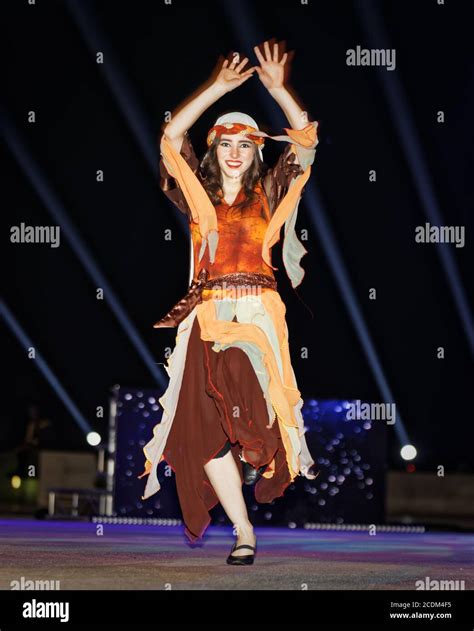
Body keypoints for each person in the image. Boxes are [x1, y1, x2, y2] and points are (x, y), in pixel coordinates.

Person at [139, 40, 319, 565]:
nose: (235, 151)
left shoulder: (271, 190)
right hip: (206, 316)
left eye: (246, 142)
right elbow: (172, 137)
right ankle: (244, 532)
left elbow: (305, 141)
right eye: (225, 142)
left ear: (258, 151)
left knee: (254, 410)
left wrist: (280, 91)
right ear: (214, 150)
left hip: (259, 317)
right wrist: (216, 88)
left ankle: (254, 448)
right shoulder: (195, 195)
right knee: (198, 429)